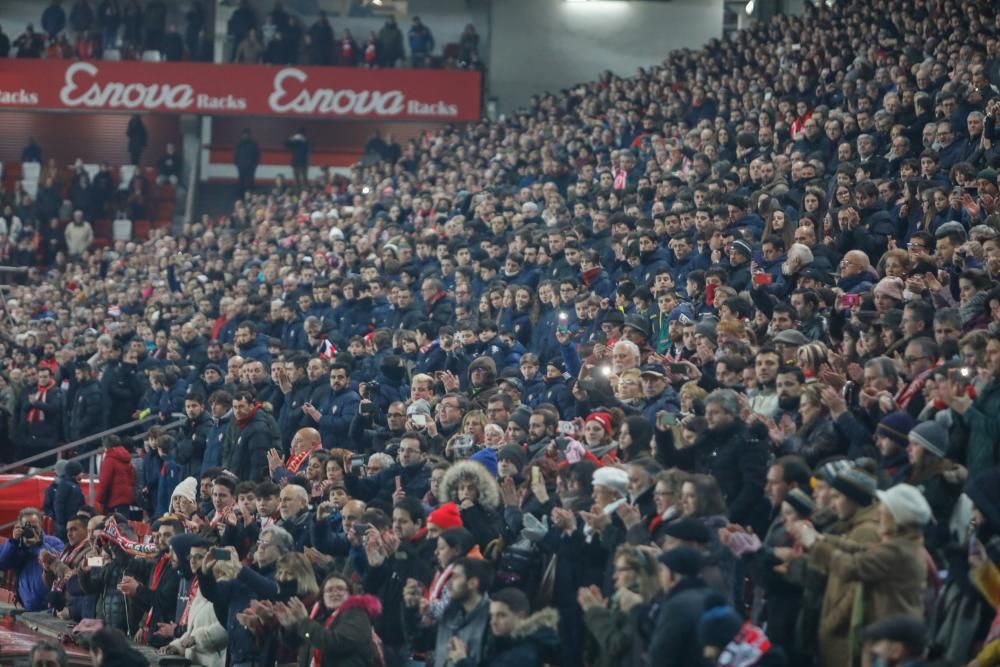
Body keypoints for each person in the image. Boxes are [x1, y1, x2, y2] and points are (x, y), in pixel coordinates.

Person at [0, 508, 65, 611]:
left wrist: (38, 545)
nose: (31, 531)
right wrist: (13, 542)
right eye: (27, 527)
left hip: (51, 607)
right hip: (28, 608)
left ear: (41, 524)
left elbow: (61, 563)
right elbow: (2, 563)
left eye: (34, 527)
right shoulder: (16, 546)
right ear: (19, 526)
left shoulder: (54, 542)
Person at [234, 128, 260, 196]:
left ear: (249, 135)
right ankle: (242, 194)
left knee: (250, 180)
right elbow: (236, 154)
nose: (245, 136)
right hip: (243, 165)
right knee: (242, 180)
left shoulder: (253, 144)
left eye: (246, 135)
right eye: (244, 135)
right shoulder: (240, 144)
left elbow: (257, 155)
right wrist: (237, 163)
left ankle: (249, 194)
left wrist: (255, 164)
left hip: (249, 165)